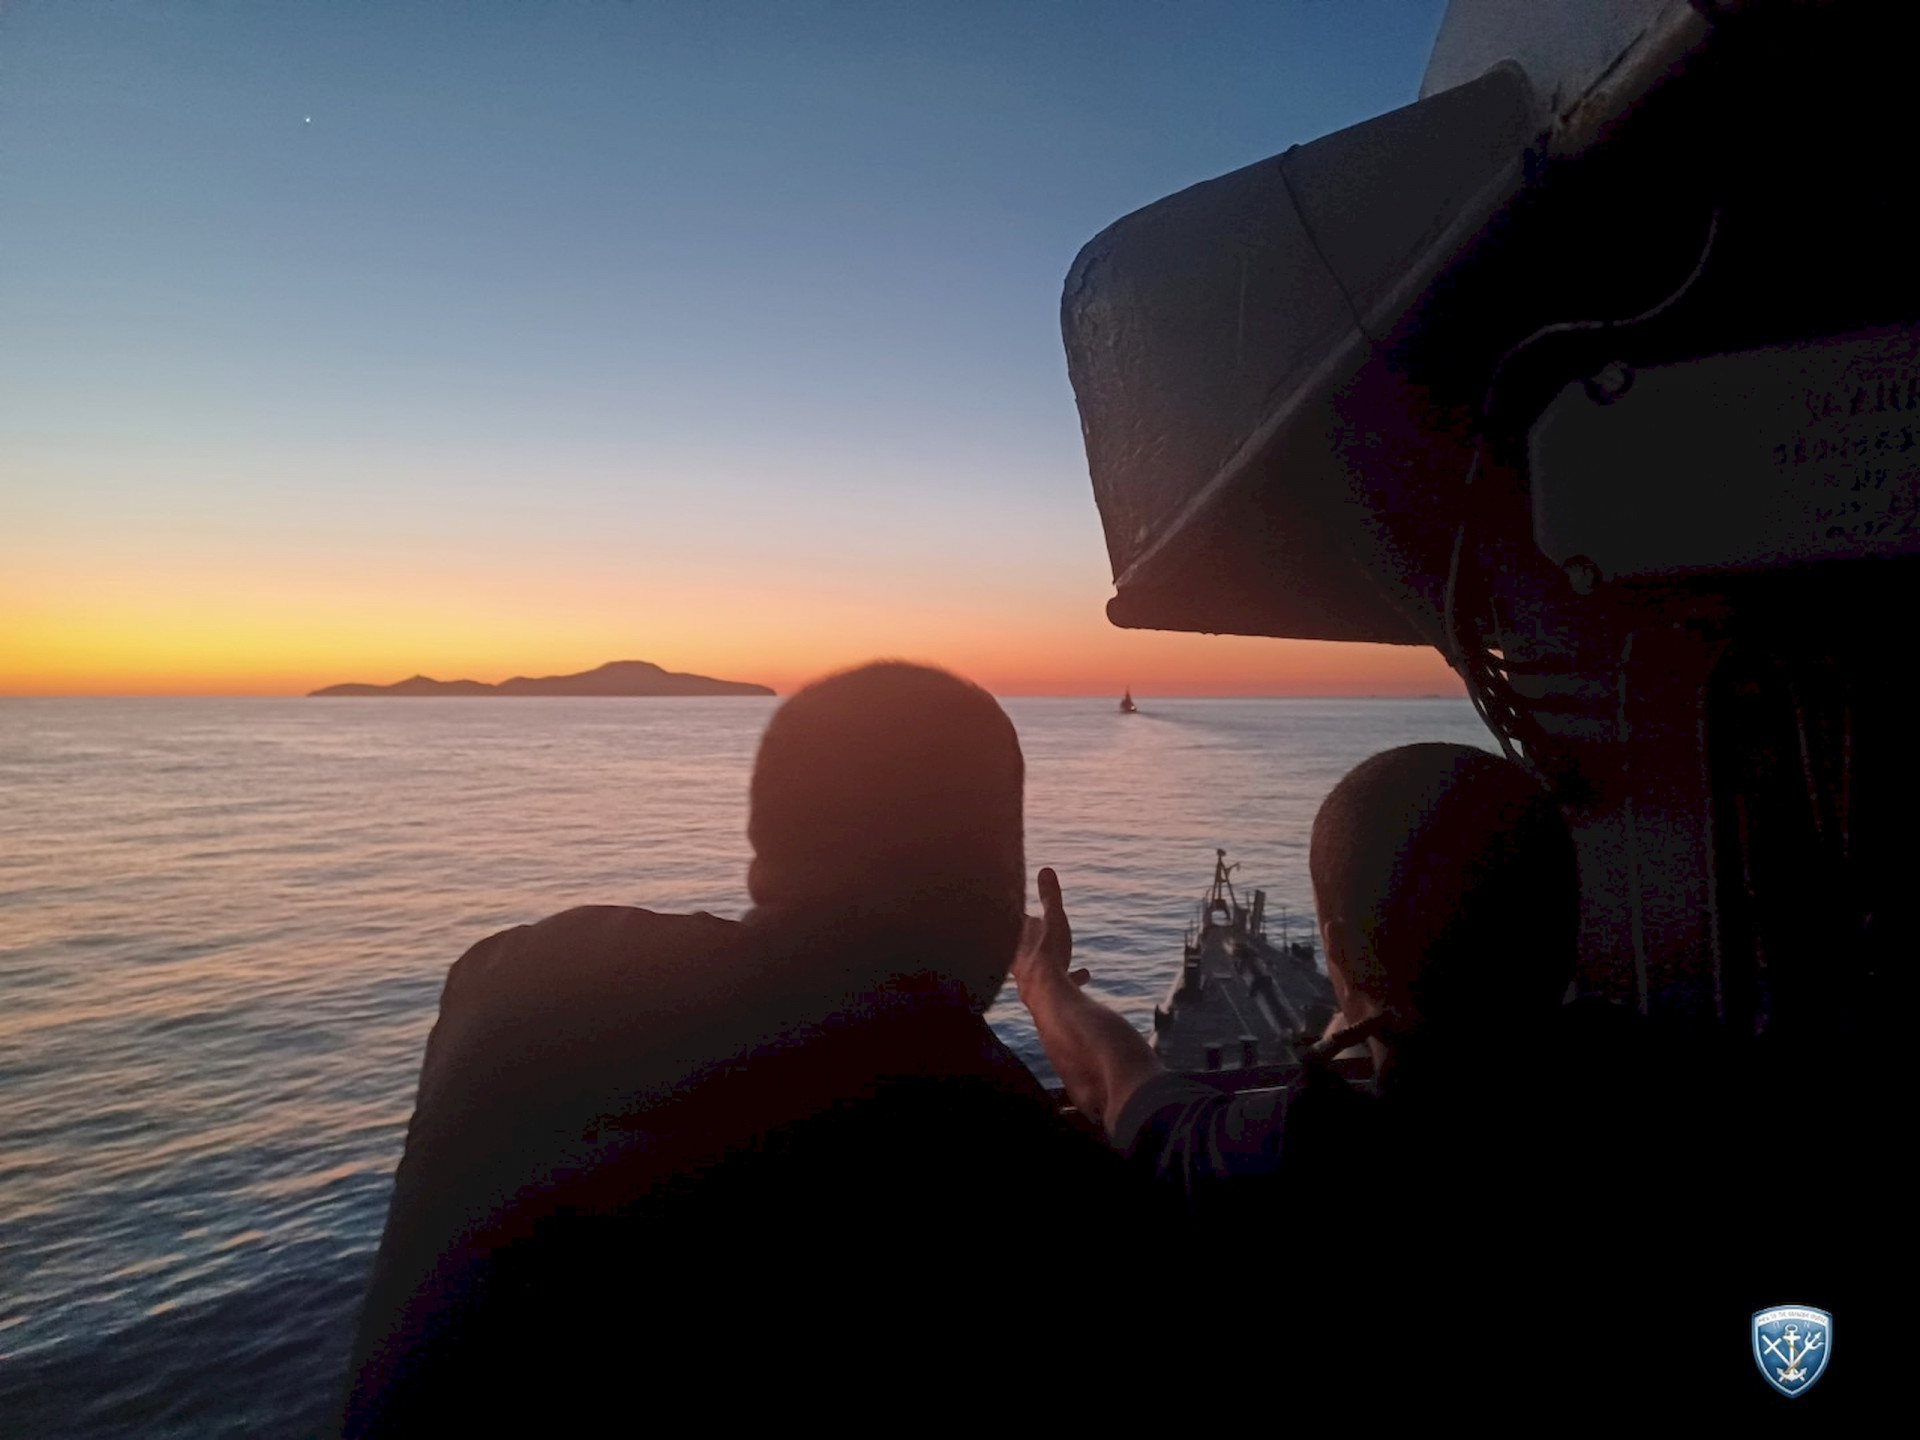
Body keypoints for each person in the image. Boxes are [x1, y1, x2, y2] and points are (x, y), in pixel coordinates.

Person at [339, 662, 1131, 1436]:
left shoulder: (511, 981)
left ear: (762, 854)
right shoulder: (999, 1154)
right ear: (998, 885)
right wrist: (1044, 994)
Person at [1013, 742, 1621, 1385]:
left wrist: (1040, 979)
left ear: (1337, 952)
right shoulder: (1663, 1080)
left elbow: (1120, 1087)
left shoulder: (1308, 1153)